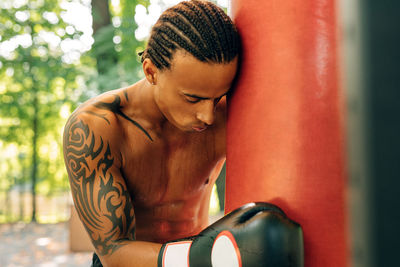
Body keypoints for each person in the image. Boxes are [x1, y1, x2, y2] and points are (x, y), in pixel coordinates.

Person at [63, 1, 303, 267]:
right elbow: (114, 252)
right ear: (151, 72)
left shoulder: (228, 116)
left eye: (217, 98)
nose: (208, 116)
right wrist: (205, 257)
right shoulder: (97, 128)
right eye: (192, 98)